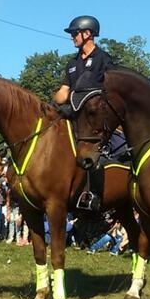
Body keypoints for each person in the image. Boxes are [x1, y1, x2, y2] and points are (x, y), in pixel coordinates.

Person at [53, 15, 113, 212]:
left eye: (74, 33)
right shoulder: (72, 63)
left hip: (94, 118)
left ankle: (93, 194)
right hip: (74, 114)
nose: (72, 37)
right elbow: (63, 91)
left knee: (95, 152)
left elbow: (109, 89)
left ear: (87, 34)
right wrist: (51, 104)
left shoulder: (103, 59)